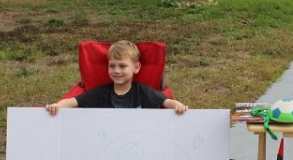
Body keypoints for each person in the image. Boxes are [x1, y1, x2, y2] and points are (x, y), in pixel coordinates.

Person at [46, 40, 188, 115]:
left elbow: (166, 102)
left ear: (136, 67)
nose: (116, 70)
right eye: (112, 66)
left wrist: (178, 106)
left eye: (122, 66)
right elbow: (73, 101)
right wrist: (57, 106)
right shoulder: (101, 93)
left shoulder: (142, 91)